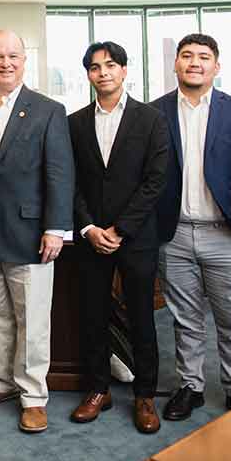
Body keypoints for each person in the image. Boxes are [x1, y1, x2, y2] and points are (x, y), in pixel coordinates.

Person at [0, 29, 74, 434]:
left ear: (25, 61)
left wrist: (56, 228)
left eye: (13, 56)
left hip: (29, 233)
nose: (6, 63)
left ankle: (33, 397)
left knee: (32, 320)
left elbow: (59, 172)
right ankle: (2, 383)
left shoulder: (48, 109)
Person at [151, 34, 231, 420]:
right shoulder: (156, 113)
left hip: (226, 235)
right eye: (187, 56)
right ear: (176, 65)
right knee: (184, 317)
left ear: (216, 66)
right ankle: (191, 386)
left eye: (203, 57)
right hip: (175, 234)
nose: (194, 63)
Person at [68, 41, 168, 435]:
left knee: (142, 316)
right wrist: (90, 228)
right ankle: (97, 389)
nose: (103, 72)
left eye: (110, 65)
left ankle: (144, 394)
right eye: (95, 67)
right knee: (92, 316)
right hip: (91, 237)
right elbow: (70, 181)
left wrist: (121, 228)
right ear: (89, 75)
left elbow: (156, 179)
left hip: (136, 236)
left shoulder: (151, 118)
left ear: (124, 71)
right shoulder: (74, 122)